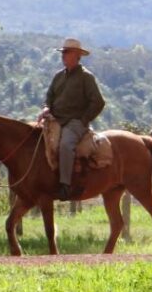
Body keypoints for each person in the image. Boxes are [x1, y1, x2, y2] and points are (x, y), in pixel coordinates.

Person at [39, 38, 106, 201]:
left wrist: (83, 120)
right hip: (55, 119)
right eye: (63, 53)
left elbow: (98, 102)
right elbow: (49, 96)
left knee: (65, 145)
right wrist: (46, 107)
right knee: (38, 141)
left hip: (75, 122)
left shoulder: (86, 77)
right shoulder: (58, 76)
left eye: (67, 53)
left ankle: (65, 185)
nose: (63, 56)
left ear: (77, 55)